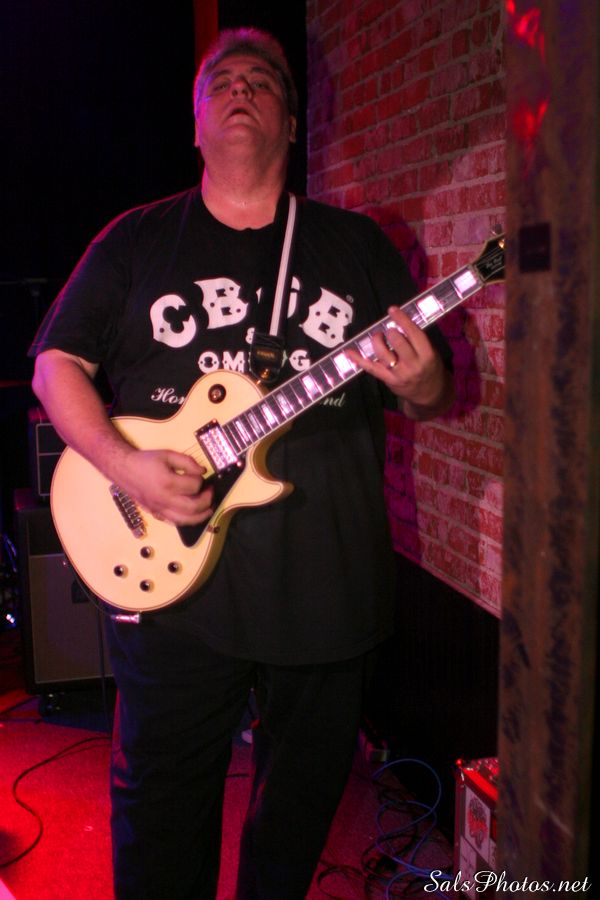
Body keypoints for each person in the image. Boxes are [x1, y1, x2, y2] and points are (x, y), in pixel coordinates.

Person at [30, 27, 455, 900]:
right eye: (221, 81)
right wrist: (125, 465)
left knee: (296, 816)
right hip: (173, 588)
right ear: (194, 124)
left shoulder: (356, 245)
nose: (242, 90)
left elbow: (427, 394)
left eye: (263, 82)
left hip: (327, 582)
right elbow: (55, 366)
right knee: (160, 810)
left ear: (292, 124)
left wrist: (424, 380)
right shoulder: (137, 240)